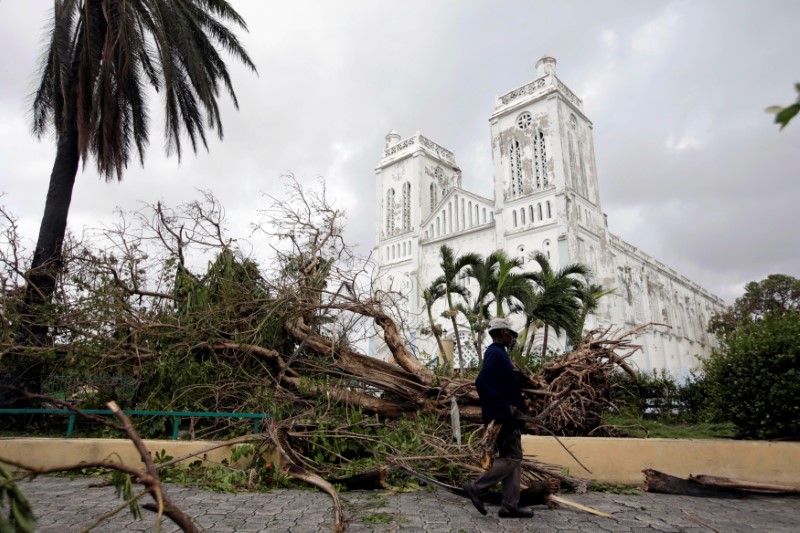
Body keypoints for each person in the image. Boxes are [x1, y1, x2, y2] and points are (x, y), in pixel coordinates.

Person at [462, 317, 534, 519]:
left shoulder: (499, 353)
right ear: (502, 333)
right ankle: (477, 487)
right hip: (503, 417)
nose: (511, 337)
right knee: (513, 457)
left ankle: (510, 506)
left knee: (513, 458)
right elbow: (482, 381)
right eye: (509, 333)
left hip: (507, 416)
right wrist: (504, 407)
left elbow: (500, 381)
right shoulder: (495, 353)